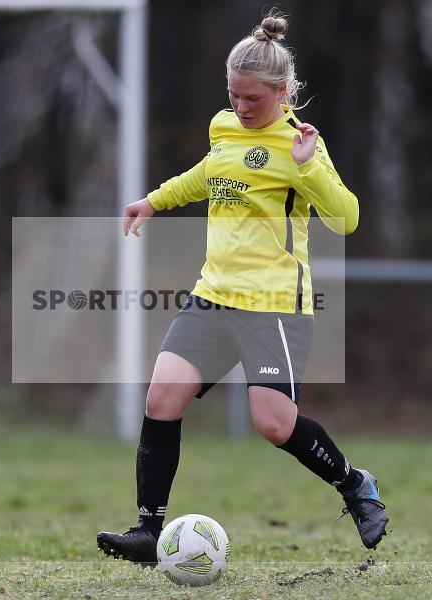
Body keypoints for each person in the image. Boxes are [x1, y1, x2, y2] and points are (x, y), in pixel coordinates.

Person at [97, 13, 388, 564]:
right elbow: (208, 175)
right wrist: (153, 202)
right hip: (213, 297)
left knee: (273, 425)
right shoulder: (224, 127)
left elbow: (346, 218)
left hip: (274, 306)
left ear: (281, 91)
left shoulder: (302, 143)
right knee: (161, 397)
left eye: (252, 97)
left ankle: (355, 485)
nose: (241, 107)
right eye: (233, 95)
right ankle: (147, 531)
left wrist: (308, 171)